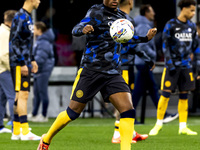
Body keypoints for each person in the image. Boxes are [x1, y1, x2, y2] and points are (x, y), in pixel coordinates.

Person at [37, 0, 157, 150]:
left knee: (128, 110)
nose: (114, 0)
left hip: (113, 72)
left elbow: (125, 38)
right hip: (91, 70)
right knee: (72, 113)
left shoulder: (122, 17)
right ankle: (46, 139)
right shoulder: (95, 11)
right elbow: (76, 29)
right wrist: (83, 29)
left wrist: (145, 38)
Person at [149, 0, 200, 136]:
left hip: (186, 67)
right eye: (191, 10)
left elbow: (196, 47)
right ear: (183, 9)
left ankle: (183, 127)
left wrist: (197, 64)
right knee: (165, 94)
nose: (193, 13)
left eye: (194, 10)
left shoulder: (192, 26)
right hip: (172, 67)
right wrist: (169, 63)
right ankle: (158, 124)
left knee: (184, 96)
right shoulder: (171, 24)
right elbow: (165, 45)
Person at [111, 0, 156, 144]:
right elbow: (133, 44)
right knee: (123, 101)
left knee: (126, 101)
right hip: (122, 65)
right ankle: (118, 134)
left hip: (116, 64)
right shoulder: (126, 20)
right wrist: (147, 59)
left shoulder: (113, 17)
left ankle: (129, 131)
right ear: (130, 2)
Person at [133, 4, 178, 124]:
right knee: (142, 90)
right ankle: (129, 116)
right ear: (146, 12)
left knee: (150, 89)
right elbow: (142, 45)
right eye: (152, 11)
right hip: (143, 62)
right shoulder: (143, 26)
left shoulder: (143, 24)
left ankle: (162, 114)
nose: (154, 14)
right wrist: (153, 54)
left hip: (142, 62)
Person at [9, 0, 41, 140]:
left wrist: (32, 59)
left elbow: (26, 43)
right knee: (23, 95)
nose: (39, 1)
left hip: (25, 61)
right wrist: (22, 62)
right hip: (19, 63)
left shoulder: (27, 17)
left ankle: (16, 131)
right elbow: (14, 41)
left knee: (19, 95)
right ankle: (25, 131)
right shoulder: (20, 17)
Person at [28, 21, 55, 122]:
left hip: (43, 70)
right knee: (36, 93)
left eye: (34, 29)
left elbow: (41, 58)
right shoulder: (40, 40)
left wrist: (30, 64)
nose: (33, 31)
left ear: (39, 30)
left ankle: (44, 115)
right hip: (38, 71)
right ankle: (34, 114)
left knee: (42, 92)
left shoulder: (43, 42)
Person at [0, 10, 17, 134]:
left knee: (1, 98)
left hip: (1, 69)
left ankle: (0, 126)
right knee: (13, 96)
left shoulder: (3, 31)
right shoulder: (5, 33)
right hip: (5, 69)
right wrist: (12, 68)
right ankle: (15, 127)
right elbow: (4, 54)